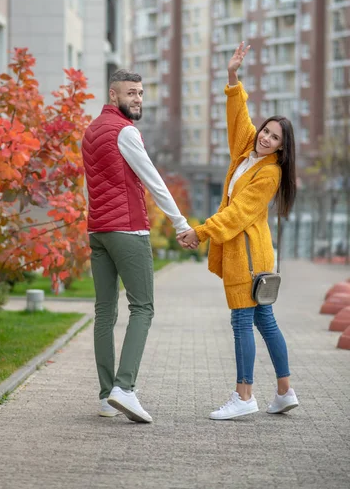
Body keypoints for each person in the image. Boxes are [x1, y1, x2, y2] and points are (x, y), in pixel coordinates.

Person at [180, 43, 299, 420]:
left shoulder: (270, 173)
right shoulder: (247, 150)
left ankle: (244, 396)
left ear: (282, 148)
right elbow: (238, 115)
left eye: (275, 138)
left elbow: (238, 214)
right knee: (264, 320)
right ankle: (284, 392)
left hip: (247, 255)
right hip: (251, 252)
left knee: (242, 321)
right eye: (266, 131)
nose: (265, 138)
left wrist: (200, 232)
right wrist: (232, 77)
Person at [81, 69, 193, 423]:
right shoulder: (125, 132)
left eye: (141, 93)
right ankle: (124, 389)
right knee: (142, 308)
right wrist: (181, 223)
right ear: (113, 96)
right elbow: (154, 181)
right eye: (131, 93)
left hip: (98, 230)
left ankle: (104, 396)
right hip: (128, 230)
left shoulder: (90, 131)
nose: (138, 99)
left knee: (104, 312)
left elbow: (93, 184)